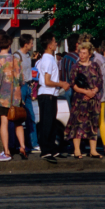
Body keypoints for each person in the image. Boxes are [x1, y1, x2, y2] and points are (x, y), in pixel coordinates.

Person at [65, 41, 104, 158]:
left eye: (84, 53)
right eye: (80, 53)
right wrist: (86, 92)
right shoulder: (75, 66)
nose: (81, 55)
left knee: (93, 123)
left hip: (94, 99)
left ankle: (93, 150)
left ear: (89, 54)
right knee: (78, 123)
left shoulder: (95, 65)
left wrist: (94, 91)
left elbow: (100, 81)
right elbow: (73, 84)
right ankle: (77, 150)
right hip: (80, 99)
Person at [36, 32, 69, 162]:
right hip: (47, 94)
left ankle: (52, 149)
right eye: (55, 42)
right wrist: (61, 83)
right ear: (49, 45)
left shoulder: (45, 59)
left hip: (50, 94)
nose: (56, 44)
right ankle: (46, 150)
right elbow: (47, 81)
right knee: (47, 123)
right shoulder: (48, 60)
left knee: (51, 123)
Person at [0, 32, 21, 160]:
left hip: (1, 95)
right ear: (9, 44)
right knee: (17, 122)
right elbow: (20, 78)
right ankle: (22, 146)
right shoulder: (16, 60)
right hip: (15, 95)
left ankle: (6, 150)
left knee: (3, 122)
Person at [17, 34, 39, 153]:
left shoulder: (27, 55)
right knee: (19, 117)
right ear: (26, 44)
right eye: (31, 43)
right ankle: (19, 143)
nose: (32, 45)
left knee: (31, 116)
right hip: (21, 86)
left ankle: (33, 143)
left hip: (28, 86)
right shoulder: (17, 55)